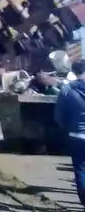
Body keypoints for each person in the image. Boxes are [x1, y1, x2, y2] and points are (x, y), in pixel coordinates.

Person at [55, 59, 85, 207]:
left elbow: (58, 115)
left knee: (80, 170)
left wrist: (66, 128)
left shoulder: (66, 89)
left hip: (76, 136)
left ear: (73, 71)